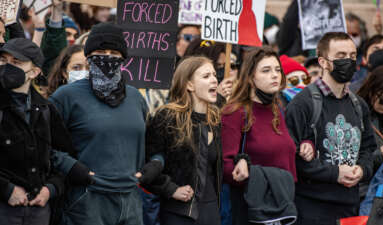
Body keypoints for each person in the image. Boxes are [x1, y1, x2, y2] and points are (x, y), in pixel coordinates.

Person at [49, 23, 148, 225]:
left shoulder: (136, 97)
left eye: (114, 52)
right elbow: (45, 144)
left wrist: (153, 166)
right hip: (87, 199)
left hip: (130, 199)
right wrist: (75, 169)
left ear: (122, 58)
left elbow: (150, 143)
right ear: (88, 56)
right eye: (101, 52)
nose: (107, 57)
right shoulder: (66, 96)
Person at [285, 32, 376, 225]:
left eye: (352, 56)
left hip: (350, 206)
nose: (349, 61)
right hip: (311, 208)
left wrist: (361, 169)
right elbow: (291, 157)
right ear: (323, 62)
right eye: (341, 56)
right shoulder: (302, 104)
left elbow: (369, 149)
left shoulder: (359, 105)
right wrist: (335, 173)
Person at [0, 38, 92, 225]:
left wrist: (50, 189)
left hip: (38, 211)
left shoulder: (46, 110)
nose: (7, 67)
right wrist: (7, 190)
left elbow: (62, 155)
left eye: (16, 63)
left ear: (34, 72)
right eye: (3, 60)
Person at [221, 46, 312, 225]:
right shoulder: (235, 112)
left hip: (283, 207)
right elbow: (225, 167)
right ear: (250, 78)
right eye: (266, 70)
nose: (275, 75)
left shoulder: (279, 109)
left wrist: (307, 144)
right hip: (251, 210)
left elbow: (288, 146)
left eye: (277, 70)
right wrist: (244, 167)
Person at [144, 56, 222, 225]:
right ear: (189, 84)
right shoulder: (167, 117)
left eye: (214, 75)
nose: (214, 80)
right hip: (179, 212)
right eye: (206, 76)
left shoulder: (215, 119)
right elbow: (148, 162)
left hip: (211, 210)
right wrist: (170, 189)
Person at [357, 65, 383, 174]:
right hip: (368, 185)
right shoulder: (355, 115)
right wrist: (380, 155)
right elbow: (350, 161)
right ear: (371, 92)